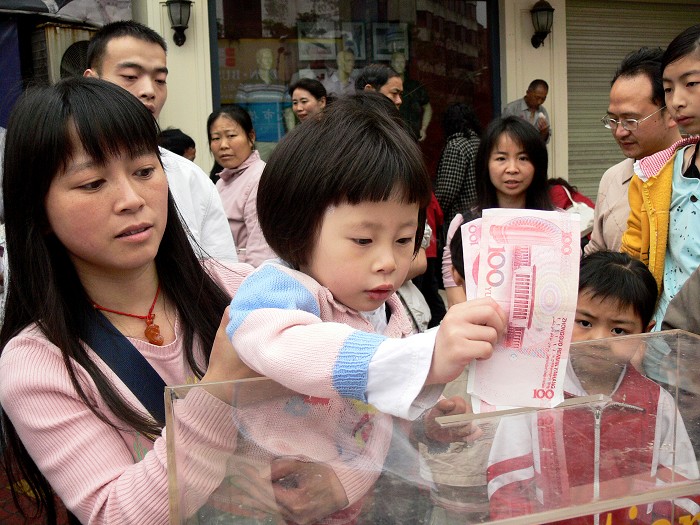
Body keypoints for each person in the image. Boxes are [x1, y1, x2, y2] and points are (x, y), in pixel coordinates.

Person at [225, 93, 506, 523]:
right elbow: (292, 349)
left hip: (368, 501)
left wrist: (425, 419)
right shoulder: (279, 290)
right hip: (279, 506)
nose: (388, 261)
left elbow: (374, 414)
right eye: (363, 240)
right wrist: (425, 359)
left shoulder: (388, 307)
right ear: (298, 228)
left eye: (402, 239)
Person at [0, 77, 262, 525]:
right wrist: (218, 391)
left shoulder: (245, 291)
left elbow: (347, 406)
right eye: (92, 183)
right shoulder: (38, 364)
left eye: (144, 171)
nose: (131, 199)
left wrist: (335, 483)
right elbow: (116, 515)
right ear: (38, 212)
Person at [487, 251, 700, 524]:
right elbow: (508, 481)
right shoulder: (536, 396)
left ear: (645, 332)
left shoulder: (657, 403)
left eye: (619, 330)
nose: (599, 340)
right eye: (585, 323)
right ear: (563, 318)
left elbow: (680, 484)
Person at [83, 20, 237, 263]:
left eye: (160, 80)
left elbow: (224, 274)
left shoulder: (190, 179)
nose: (149, 90)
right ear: (92, 81)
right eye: (130, 76)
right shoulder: (62, 172)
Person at [621, 25, 700, 330]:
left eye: (691, 83)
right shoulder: (654, 174)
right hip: (667, 338)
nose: (677, 100)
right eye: (668, 89)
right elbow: (633, 255)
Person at [442, 116, 554, 307]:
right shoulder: (465, 224)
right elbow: (456, 292)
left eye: (523, 158)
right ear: (485, 163)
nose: (512, 169)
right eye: (501, 158)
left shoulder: (556, 223)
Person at [585, 47, 682, 255]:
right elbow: (596, 251)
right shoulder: (612, 178)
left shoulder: (691, 178)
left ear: (672, 113)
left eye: (631, 120)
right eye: (613, 120)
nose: (620, 132)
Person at [208, 105, 276, 267]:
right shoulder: (221, 181)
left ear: (251, 137)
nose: (223, 145)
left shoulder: (259, 177)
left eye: (231, 135)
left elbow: (261, 251)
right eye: (216, 138)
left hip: (243, 279)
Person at [235, 47, 292, 160]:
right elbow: (238, 115)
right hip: (257, 142)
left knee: (281, 173)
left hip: (280, 140)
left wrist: (292, 137)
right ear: (258, 60)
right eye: (264, 57)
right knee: (259, 174)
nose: (268, 60)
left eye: (270, 57)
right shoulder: (246, 86)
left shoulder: (281, 85)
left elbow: (288, 112)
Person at [434, 102, 482, 233]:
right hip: (477, 215)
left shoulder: (456, 146)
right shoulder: (479, 143)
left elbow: (447, 191)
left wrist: (434, 214)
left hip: (458, 220)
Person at [391, 51, 432, 142]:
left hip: (412, 136)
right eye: (397, 61)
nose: (400, 64)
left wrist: (423, 129)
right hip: (393, 138)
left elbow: (428, 108)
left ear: (405, 64)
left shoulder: (415, 86)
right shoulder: (385, 87)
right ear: (392, 64)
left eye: (402, 62)